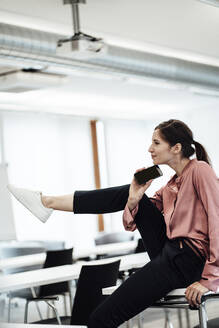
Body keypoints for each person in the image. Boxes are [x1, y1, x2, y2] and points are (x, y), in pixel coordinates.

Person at [8, 119, 219, 328]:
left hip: (187, 261)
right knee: (130, 190)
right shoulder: (171, 185)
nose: (150, 149)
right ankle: (48, 203)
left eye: (156, 143)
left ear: (176, 148)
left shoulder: (200, 170)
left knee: (100, 320)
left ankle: (47, 202)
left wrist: (208, 280)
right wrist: (134, 197)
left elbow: (217, 222)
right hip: (170, 255)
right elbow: (130, 223)